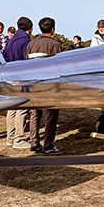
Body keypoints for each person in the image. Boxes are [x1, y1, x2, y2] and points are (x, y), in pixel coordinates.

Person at [26, 17, 62, 153]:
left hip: (33, 83)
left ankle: (34, 142)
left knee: (35, 113)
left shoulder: (30, 45)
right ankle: (48, 144)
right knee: (51, 114)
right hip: (50, 84)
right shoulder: (55, 45)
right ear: (52, 29)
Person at [3, 17, 33, 149]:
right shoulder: (25, 41)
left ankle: (10, 137)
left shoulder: (10, 40)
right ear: (30, 28)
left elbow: (4, 56)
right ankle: (19, 138)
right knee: (21, 108)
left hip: (10, 76)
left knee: (12, 108)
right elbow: (27, 60)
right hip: (22, 77)